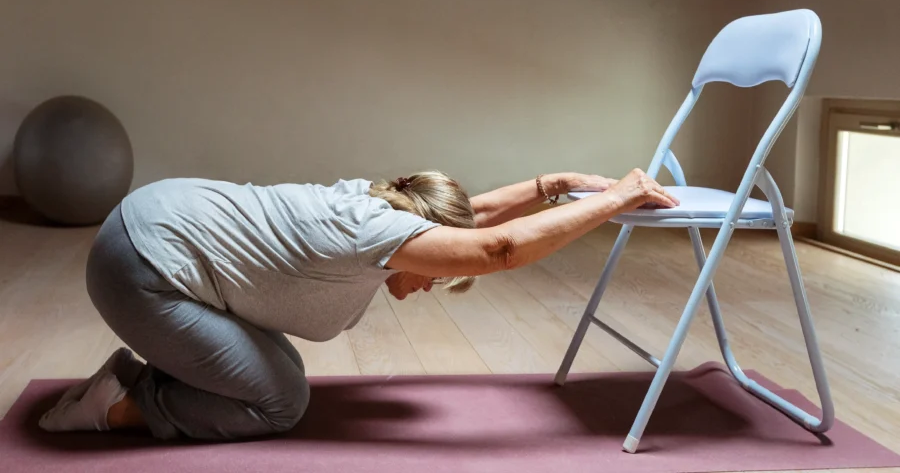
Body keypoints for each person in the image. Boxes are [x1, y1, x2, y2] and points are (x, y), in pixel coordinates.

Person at [38, 168, 678, 440]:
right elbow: (497, 248)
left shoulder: (382, 206)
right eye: (434, 274)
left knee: (281, 368)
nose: (427, 284)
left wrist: (557, 184)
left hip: (151, 223)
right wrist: (615, 200)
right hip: (138, 268)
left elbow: (476, 218)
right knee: (280, 402)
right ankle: (115, 409)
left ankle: (136, 377)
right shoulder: (371, 235)